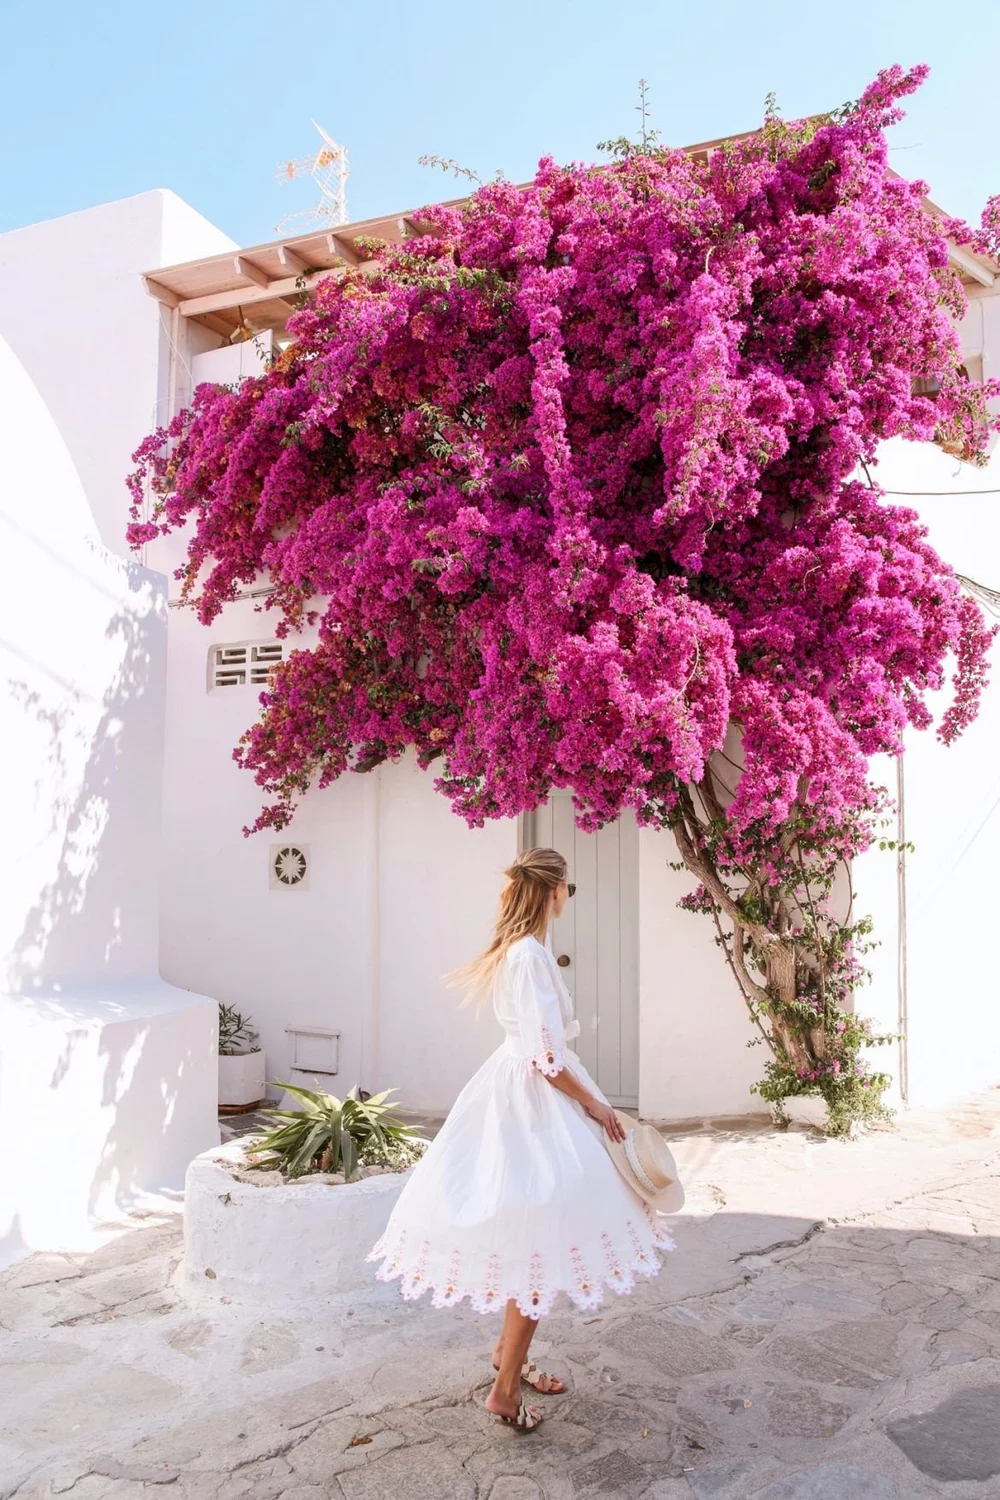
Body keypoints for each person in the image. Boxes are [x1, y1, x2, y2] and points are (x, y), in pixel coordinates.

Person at [368, 846, 679, 1432]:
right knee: (541, 1238)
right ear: (554, 889)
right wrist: (592, 1103)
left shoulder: (522, 953)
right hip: (534, 1102)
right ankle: (505, 1391)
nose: (569, 897)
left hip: (517, 1091)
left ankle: (505, 1358)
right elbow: (543, 1055)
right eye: (571, 888)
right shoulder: (530, 957)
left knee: (536, 1235)